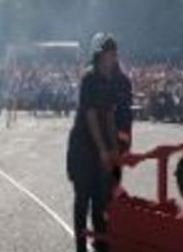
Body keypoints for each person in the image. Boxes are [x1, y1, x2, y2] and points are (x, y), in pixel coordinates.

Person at [67, 33, 120, 252]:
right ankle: (80, 246)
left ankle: (100, 243)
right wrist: (101, 149)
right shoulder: (89, 78)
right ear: (101, 55)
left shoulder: (108, 80)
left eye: (115, 55)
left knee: (100, 199)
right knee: (83, 199)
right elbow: (90, 115)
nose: (114, 59)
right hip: (82, 147)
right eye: (111, 54)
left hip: (98, 148)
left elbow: (108, 116)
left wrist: (114, 147)